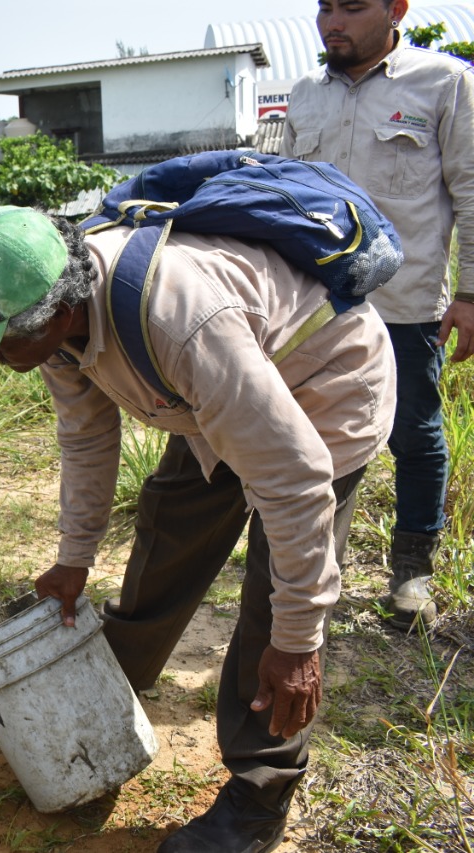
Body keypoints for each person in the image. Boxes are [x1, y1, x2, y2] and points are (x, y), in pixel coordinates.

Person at [0, 206, 396, 852]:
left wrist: (296, 642)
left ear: (57, 313)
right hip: (214, 396)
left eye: (2, 343)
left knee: (273, 603)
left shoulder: (181, 323)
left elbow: (295, 480)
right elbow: (87, 437)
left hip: (322, 386)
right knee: (170, 521)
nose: (0, 359)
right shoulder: (57, 321)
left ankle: (260, 796)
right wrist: (74, 557)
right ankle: (118, 675)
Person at [281, 0, 474, 631]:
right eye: (324, 8)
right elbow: (281, 196)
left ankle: (411, 570)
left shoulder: (444, 82)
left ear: (396, 10)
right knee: (311, 436)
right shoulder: (305, 94)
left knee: (414, 435)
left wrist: (470, 295)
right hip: (316, 308)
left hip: (405, 305)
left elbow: (470, 191)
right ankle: (313, 567)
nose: (332, 21)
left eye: (352, 6)